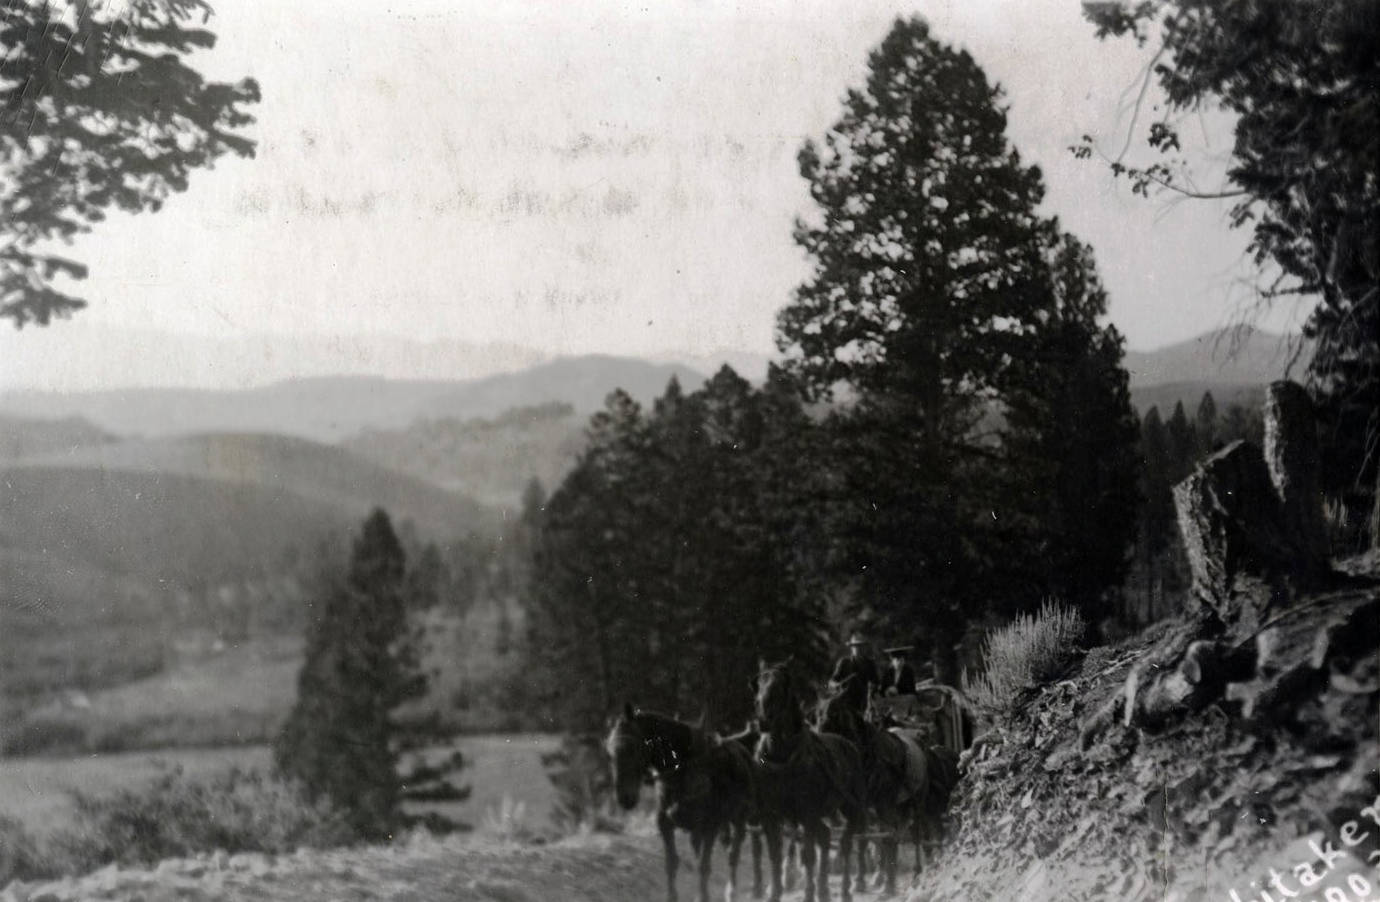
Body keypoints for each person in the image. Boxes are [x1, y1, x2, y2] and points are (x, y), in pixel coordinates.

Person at [830, 634, 881, 712]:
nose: (858, 649)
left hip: (863, 702)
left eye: (860, 646)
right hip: (845, 701)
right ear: (851, 648)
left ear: (864, 648)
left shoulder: (870, 664)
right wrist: (835, 685)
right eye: (855, 647)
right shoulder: (844, 663)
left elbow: (876, 682)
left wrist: (872, 689)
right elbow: (833, 680)